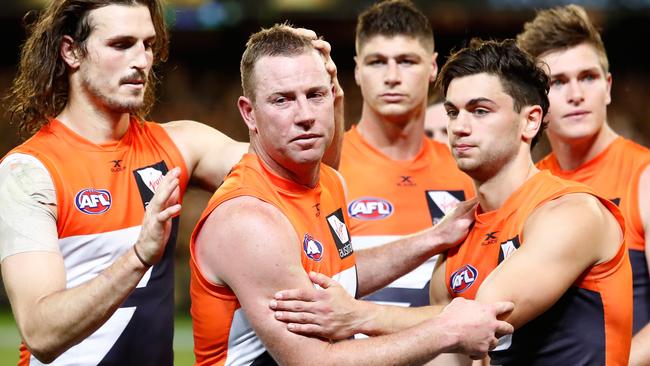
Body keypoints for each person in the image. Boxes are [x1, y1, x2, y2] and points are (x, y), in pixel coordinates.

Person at [0, 2, 341, 365]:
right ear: (71, 51)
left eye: (147, 45)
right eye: (121, 44)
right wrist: (137, 258)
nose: (141, 61)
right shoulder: (29, 172)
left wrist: (328, 93)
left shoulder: (179, 145)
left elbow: (307, 180)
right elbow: (41, 332)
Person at [189, 25, 514, 366]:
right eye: (282, 100)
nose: (304, 116)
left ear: (334, 96)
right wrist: (446, 332)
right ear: (249, 113)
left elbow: (339, 274)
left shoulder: (327, 182)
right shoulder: (249, 220)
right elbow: (315, 361)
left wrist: (433, 238)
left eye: (315, 95)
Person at [426, 38, 632, 365]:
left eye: (480, 111)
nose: (459, 128)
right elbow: (447, 355)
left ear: (530, 121)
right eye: (453, 112)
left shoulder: (572, 210)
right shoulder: (455, 240)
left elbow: (483, 316)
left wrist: (360, 316)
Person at [516, 5, 650, 364]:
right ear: (535, 103)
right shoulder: (525, 186)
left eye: (588, 77)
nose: (576, 94)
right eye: (558, 82)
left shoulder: (645, 177)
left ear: (607, 87)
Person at [337, 0, 474, 309]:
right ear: (358, 70)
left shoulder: (468, 170)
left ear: (433, 67)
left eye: (407, 61)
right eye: (377, 62)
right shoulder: (326, 170)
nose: (392, 76)